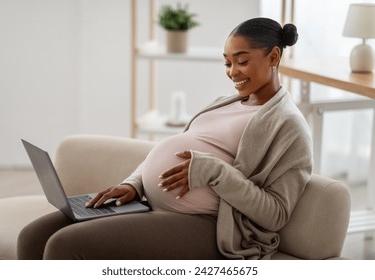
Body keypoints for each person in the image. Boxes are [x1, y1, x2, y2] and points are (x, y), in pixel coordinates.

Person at [18, 17, 312, 260]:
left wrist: (215, 172)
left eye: (242, 61)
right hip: (149, 203)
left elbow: (275, 214)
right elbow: (172, 147)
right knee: (32, 237)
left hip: (205, 226)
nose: (232, 72)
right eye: (227, 63)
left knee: (64, 247)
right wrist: (133, 183)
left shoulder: (289, 126)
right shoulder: (225, 102)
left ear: (273, 56)